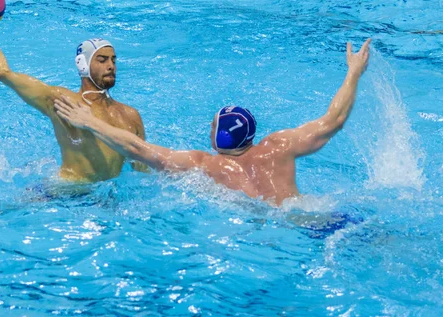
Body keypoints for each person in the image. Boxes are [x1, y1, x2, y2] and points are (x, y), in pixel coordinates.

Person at [54, 39, 372, 205]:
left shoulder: (206, 165)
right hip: (310, 214)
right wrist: (354, 71)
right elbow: (335, 119)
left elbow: (138, 148)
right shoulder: (279, 146)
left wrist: (90, 121)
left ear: (220, 136)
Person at [0, 27, 147, 182]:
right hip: (65, 193)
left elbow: (142, 173)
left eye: (113, 60)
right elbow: (2, 73)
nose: (111, 66)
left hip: (105, 199)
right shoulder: (64, 101)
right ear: (83, 65)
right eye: (102, 60)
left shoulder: (130, 116)